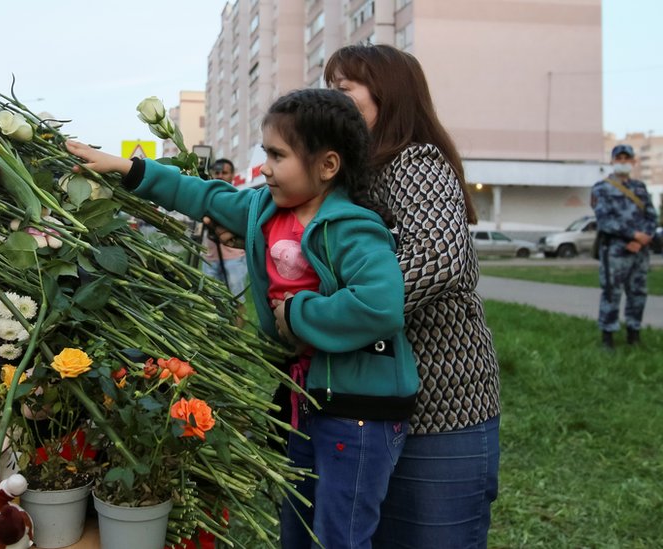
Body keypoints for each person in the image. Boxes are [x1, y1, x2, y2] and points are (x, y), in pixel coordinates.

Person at [67, 88, 418, 549]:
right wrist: (129, 168)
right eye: (265, 153)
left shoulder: (352, 228)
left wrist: (297, 311)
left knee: (341, 533)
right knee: (299, 523)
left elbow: (379, 306)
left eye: (278, 154)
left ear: (327, 166)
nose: (266, 166)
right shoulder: (265, 211)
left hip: (359, 409)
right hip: (306, 399)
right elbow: (203, 196)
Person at [324, 44, 501, 548]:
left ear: (388, 94)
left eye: (343, 89)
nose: (331, 100)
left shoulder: (414, 162)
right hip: (373, 407)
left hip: (443, 406)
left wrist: (333, 316)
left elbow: (437, 256)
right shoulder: (354, 179)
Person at [591, 144, 658, 349]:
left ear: (633, 162)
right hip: (615, 250)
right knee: (612, 292)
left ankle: (633, 333)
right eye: (618, 158)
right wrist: (633, 235)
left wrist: (641, 239)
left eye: (626, 158)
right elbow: (604, 220)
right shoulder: (601, 187)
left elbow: (651, 216)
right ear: (612, 161)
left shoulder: (640, 187)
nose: (623, 162)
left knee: (638, 292)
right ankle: (608, 336)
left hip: (640, 250)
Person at [202, 159, 249, 320]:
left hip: (234, 257)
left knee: (237, 299)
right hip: (210, 257)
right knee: (209, 299)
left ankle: (237, 336)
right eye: (217, 172)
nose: (220, 176)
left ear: (232, 175)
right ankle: (217, 333)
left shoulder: (238, 197)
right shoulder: (207, 196)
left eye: (225, 172)